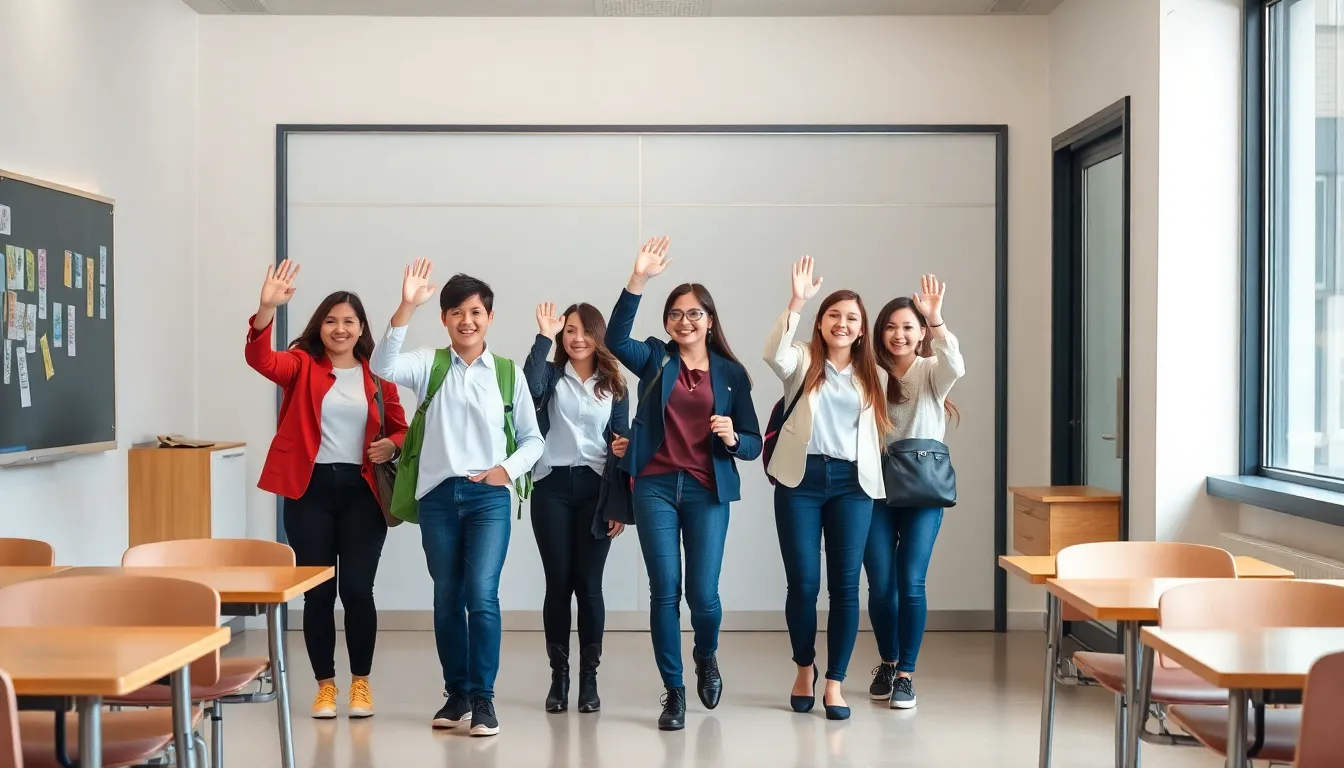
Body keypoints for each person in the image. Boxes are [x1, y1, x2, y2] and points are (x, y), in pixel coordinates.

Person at [369, 259, 544, 737]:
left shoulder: (506, 373)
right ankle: (457, 694)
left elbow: (533, 439)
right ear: (444, 318)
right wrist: (406, 305)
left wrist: (504, 471)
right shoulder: (430, 363)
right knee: (447, 597)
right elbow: (381, 365)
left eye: (475, 311)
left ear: (489, 317)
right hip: (440, 498)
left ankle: (484, 699)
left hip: (488, 498)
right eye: (456, 312)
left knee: (481, 596)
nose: (467, 320)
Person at [604, 236, 762, 731]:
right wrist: (639, 280)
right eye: (676, 314)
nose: (685, 321)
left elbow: (755, 442)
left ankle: (706, 654)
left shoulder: (731, 374)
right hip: (653, 485)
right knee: (664, 590)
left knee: (704, 594)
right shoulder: (655, 359)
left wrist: (734, 437)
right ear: (667, 322)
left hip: (706, 491)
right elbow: (614, 338)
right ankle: (673, 690)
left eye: (694, 314)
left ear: (710, 320)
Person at [244, 259, 406, 719]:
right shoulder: (300, 365)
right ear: (321, 325)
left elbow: (400, 428)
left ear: (361, 329)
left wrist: (390, 448)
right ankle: (325, 686)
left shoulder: (379, 374)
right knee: (317, 593)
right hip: (308, 489)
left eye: (349, 321)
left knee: (357, 590)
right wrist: (265, 309)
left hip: (362, 492)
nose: (340, 329)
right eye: (332, 321)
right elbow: (260, 359)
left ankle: (360, 684)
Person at [763, 256, 893, 721]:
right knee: (802, 582)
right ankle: (804, 668)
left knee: (844, 587)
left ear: (862, 330)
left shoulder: (873, 376)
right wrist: (797, 300)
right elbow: (772, 352)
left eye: (852, 318)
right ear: (820, 324)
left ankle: (835, 681)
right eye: (834, 315)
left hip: (852, 485)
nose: (842, 323)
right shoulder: (801, 360)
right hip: (801, 480)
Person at [524, 301, 631, 715]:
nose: (578, 338)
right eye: (569, 330)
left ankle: (589, 678)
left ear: (598, 336)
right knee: (558, 582)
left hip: (596, 489)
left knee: (589, 585)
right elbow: (529, 388)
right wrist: (541, 336)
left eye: (586, 331)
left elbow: (621, 445)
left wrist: (619, 503)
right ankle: (559, 676)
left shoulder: (615, 384)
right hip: (552, 485)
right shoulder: (551, 375)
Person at [864, 274, 964, 711]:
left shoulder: (931, 372)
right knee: (881, 586)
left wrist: (937, 317)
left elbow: (955, 365)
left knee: (911, 582)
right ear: (880, 333)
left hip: (922, 491)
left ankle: (906, 673)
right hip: (875, 489)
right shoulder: (868, 375)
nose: (899, 334)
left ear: (920, 333)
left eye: (908, 326)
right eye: (891, 326)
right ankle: (887, 662)